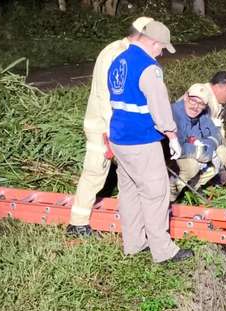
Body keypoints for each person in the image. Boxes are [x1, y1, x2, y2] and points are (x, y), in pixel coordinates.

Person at [107, 20, 192, 262]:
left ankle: (134, 243)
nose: (161, 53)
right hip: (141, 140)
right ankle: (163, 251)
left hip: (119, 138)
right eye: (162, 48)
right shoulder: (148, 68)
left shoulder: (119, 61)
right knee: (156, 192)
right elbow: (159, 106)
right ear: (153, 43)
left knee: (130, 192)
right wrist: (172, 135)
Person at [66, 17, 154, 238]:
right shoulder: (118, 55)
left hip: (112, 124)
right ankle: (77, 224)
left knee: (126, 172)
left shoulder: (122, 50)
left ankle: (131, 220)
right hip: (104, 125)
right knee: (95, 171)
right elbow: (109, 96)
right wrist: (112, 131)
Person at [170, 83, 226, 198]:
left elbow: (216, 136)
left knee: (223, 152)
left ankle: (194, 186)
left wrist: (208, 146)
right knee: (191, 166)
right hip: (172, 158)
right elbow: (177, 146)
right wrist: (200, 152)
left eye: (201, 104)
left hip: (199, 152)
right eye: (193, 101)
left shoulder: (203, 115)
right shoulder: (173, 112)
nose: (196, 106)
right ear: (185, 97)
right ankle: (170, 194)